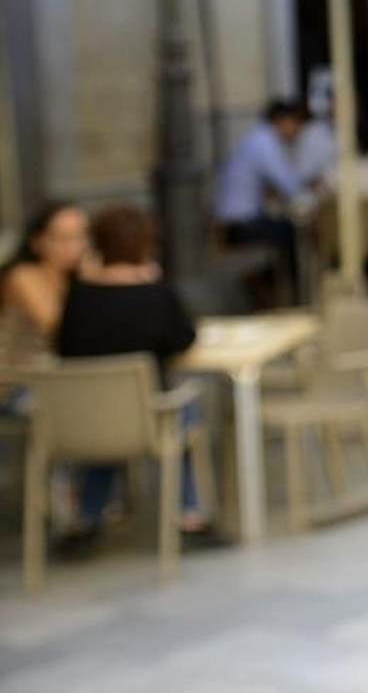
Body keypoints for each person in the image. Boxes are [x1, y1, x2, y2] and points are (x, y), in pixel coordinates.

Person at [54, 205, 221, 551]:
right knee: (182, 410)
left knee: (108, 417)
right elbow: (183, 339)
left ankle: (87, 518)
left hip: (85, 423)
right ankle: (189, 514)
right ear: (146, 245)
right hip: (146, 419)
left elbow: (63, 347)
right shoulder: (156, 293)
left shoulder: (79, 296)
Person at [0, 202, 89, 415]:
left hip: (55, 380)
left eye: (80, 237)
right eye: (63, 238)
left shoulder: (73, 279)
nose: (73, 246)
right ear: (37, 242)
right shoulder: (23, 276)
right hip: (16, 386)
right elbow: (59, 329)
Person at [215, 99, 307, 294]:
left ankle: (281, 290)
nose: (297, 130)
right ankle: (294, 293)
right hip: (241, 225)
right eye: (296, 123)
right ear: (283, 120)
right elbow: (289, 185)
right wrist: (312, 187)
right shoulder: (264, 143)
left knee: (286, 229)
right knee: (293, 234)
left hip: (239, 221)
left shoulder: (256, 139)